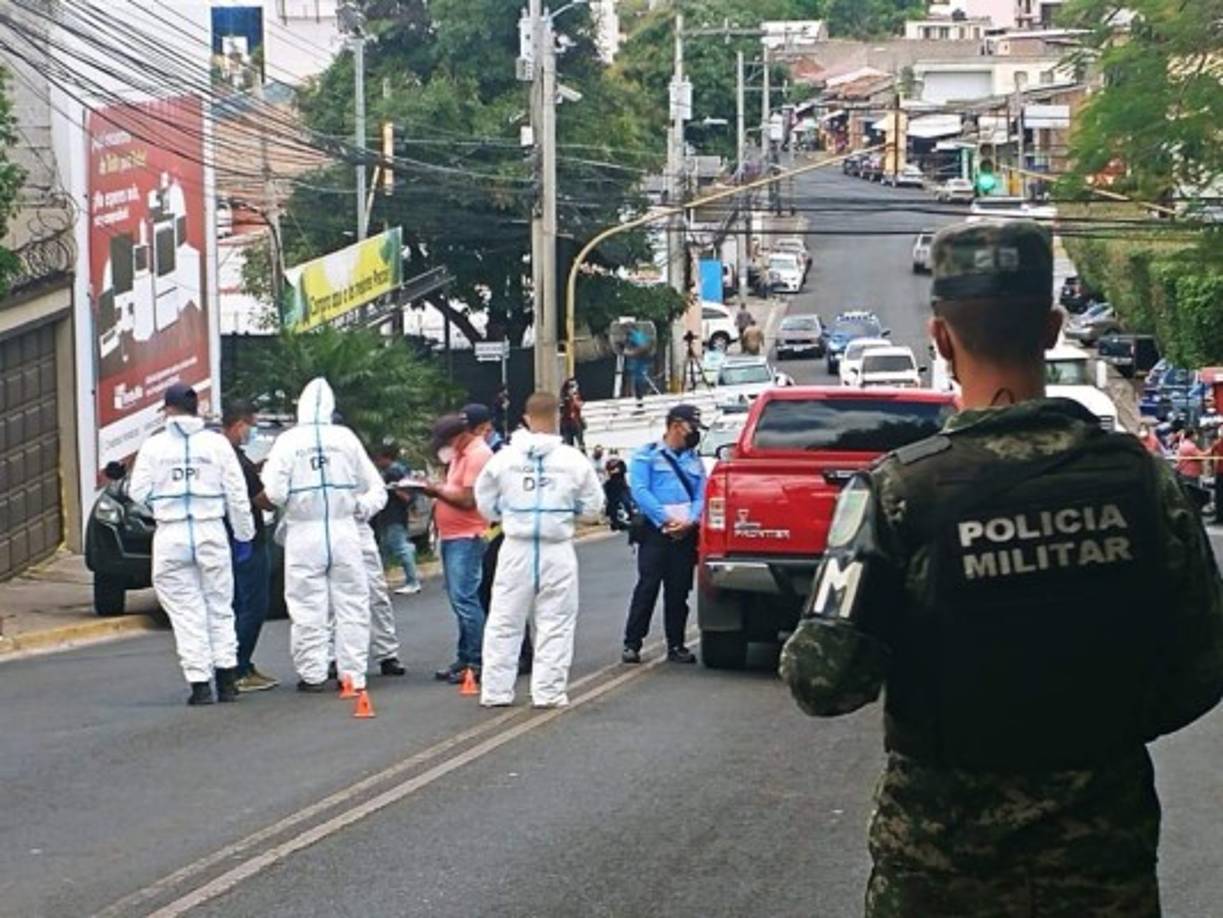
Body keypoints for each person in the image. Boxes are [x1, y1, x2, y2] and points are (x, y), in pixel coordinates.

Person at [779, 221, 1223, 918]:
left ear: (940, 340)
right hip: (1100, 856)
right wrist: (1093, 734)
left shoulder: (897, 491)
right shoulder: (1139, 480)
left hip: (939, 865)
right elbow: (1202, 663)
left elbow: (823, 682)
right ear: (1050, 329)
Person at [474, 391, 605, 707]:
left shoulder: (503, 458)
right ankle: (548, 692)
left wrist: (506, 513)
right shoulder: (572, 460)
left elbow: (484, 502)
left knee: (504, 620)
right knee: (556, 621)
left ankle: (496, 691)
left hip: (515, 545)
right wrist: (568, 511)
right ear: (558, 418)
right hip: (556, 547)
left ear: (526, 418)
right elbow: (593, 507)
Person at [129, 384, 255, 705]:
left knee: (186, 612)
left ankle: (199, 684)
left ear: (168, 410)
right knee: (219, 605)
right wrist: (244, 535)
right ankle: (227, 678)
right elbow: (237, 495)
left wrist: (164, 499)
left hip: (171, 534)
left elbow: (137, 492)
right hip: (210, 530)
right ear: (196, 409)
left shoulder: (154, 447)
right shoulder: (217, 445)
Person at [262, 378, 386, 693]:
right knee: (353, 604)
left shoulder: (287, 442)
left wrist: (295, 500)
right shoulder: (346, 439)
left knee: (307, 606)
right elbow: (376, 488)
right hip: (345, 532)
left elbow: (274, 492)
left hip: (303, 532)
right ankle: (353, 674)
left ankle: (313, 673)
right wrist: (360, 508)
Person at [621, 404, 707, 664]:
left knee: (679, 590)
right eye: (692, 427)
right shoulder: (646, 456)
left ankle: (676, 644)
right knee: (647, 587)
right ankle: (632, 643)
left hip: (685, 532)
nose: (694, 434)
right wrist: (666, 520)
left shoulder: (694, 460)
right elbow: (640, 491)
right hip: (656, 531)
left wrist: (691, 521)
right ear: (676, 425)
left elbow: (701, 494)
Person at [423, 413, 493, 683]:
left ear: (460, 435)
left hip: (468, 534)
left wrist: (435, 491)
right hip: (453, 534)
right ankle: (464, 656)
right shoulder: (459, 456)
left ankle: (476, 661)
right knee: (458, 597)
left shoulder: (477, 455)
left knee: (466, 598)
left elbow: (467, 500)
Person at [220, 401, 279, 693]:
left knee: (232, 605)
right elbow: (260, 499)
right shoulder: (237, 462)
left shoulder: (223, 456)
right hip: (247, 541)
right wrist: (280, 499)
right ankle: (238, 667)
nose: (252, 432)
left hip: (224, 540)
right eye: (251, 425)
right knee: (253, 606)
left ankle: (232, 665)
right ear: (239, 425)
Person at [372, 444, 422, 596]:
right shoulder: (402, 469)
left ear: (385, 458)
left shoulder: (393, 472)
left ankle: (412, 581)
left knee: (400, 547)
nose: (376, 463)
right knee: (385, 549)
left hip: (393, 514)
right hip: (395, 514)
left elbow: (404, 494)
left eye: (378, 460)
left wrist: (392, 488)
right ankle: (380, 582)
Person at [603, 456, 633, 531]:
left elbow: (622, 471)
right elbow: (608, 473)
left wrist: (615, 471)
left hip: (621, 485)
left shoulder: (621, 463)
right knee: (613, 505)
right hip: (611, 486)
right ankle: (615, 523)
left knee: (627, 502)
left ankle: (631, 518)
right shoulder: (608, 464)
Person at [559, 378, 585, 451]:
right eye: (572, 386)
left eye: (575, 385)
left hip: (577, 422)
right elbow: (562, 410)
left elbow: (580, 405)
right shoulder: (564, 398)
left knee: (581, 443)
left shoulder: (577, 396)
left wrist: (574, 399)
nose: (574, 388)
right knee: (569, 445)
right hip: (567, 424)